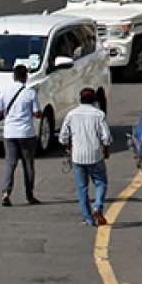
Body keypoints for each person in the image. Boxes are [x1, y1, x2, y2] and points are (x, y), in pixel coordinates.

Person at [59, 87, 112, 227]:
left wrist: (68, 147)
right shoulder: (99, 114)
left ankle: (88, 218)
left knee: (82, 188)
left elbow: (63, 137)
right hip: (95, 155)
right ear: (94, 100)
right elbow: (106, 137)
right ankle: (97, 206)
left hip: (78, 157)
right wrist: (106, 149)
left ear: (80, 99)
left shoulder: (71, 114)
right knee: (101, 183)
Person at [0, 64, 42, 206]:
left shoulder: (4, 91)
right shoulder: (30, 93)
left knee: (10, 164)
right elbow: (37, 113)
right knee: (28, 165)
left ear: (13, 76)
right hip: (26, 133)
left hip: (10, 133)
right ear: (25, 77)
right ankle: (29, 195)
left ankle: (6, 192)